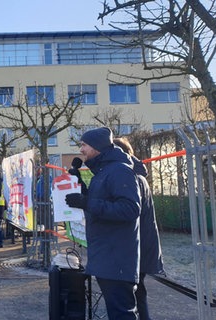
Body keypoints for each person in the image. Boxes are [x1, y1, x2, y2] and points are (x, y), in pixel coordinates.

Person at [65, 127, 141, 320]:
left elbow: (130, 209)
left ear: (97, 147)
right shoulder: (104, 171)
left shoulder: (119, 171)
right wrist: (80, 187)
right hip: (107, 255)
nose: (81, 150)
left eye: (84, 145)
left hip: (117, 258)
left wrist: (87, 202)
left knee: (122, 313)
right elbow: (100, 201)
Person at [113, 137, 165, 320]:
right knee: (137, 291)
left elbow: (127, 212)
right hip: (142, 243)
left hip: (137, 245)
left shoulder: (131, 177)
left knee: (133, 293)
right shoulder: (137, 174)